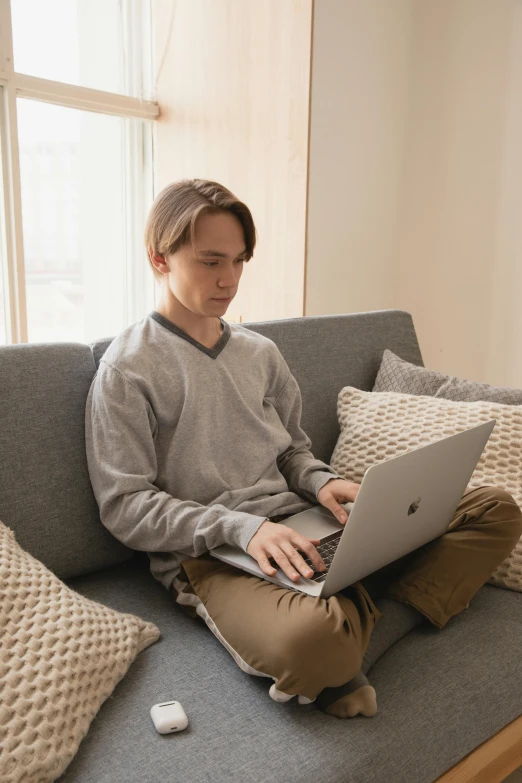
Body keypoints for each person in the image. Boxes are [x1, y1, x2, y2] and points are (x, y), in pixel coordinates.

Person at [85, 178, 522, 719]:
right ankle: (356, 619)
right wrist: (241, 528)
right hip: (215, 555)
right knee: (309, 644)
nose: (229, 280)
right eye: (210, 261)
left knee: (495, 509)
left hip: (305, 522)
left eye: (240, 261)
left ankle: (356, 627)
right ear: (158, 257)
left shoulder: (260, 352)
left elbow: (292, 451)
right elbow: (124, 507)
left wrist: (321, 481)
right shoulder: (126, 370)